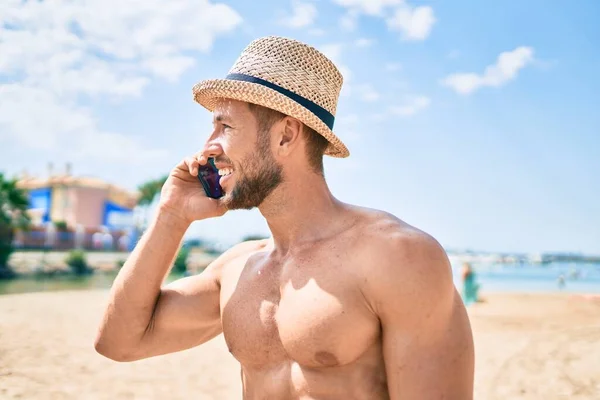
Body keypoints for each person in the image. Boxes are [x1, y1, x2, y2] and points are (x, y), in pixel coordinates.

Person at [95, 36, 475, 399]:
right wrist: (170, 217)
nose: (207, 147)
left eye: (225, 126)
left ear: (286, 136)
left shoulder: (398, 257)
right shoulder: (238, 268)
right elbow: (119, 342)